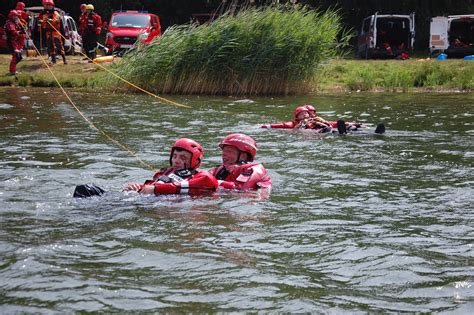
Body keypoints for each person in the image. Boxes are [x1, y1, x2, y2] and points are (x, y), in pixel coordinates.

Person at [124, 138, 218, 196]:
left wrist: (156, 189)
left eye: (183, 157)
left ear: (195, 161)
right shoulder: (164, 173)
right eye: (174, 156)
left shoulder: (200, 177)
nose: (176, 160)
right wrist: (137, 187)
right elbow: (150, 188)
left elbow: (207, 181)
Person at [38, 0, 67, 64]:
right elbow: (44, 22)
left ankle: (64, 59)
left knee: (59, 45)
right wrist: (41, 22)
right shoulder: (45, 14)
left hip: (55, 31)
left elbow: (56, 20)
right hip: (48, 32)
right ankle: (53, 59)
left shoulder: (55, 13)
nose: (49, 7)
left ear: (52, 6)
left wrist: (50, 20)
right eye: (48, 6)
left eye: (50, 6)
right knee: (50, 46)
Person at [4, 10, 24, 76]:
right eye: (15, 16)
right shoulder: (9, 23)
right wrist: (19, 32)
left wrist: (21, 28)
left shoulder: (15, 22)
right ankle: (12, 72)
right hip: (10, 42)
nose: (16, 17)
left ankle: (13, 69)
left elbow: (18, 30)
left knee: (19, 57)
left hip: (15, 42)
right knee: (16, 56)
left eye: (16, 16)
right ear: (11, 16)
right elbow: (13, 32)